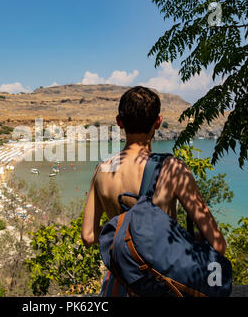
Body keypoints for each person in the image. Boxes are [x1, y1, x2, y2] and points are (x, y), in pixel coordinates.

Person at [81, 86, 226, 296]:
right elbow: (218, 243)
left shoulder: (102, 169)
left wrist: (123, 231)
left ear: (119, 122)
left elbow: (88, 236)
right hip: (161, 284)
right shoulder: (173, 169)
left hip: (118, 284)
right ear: (158, 123)